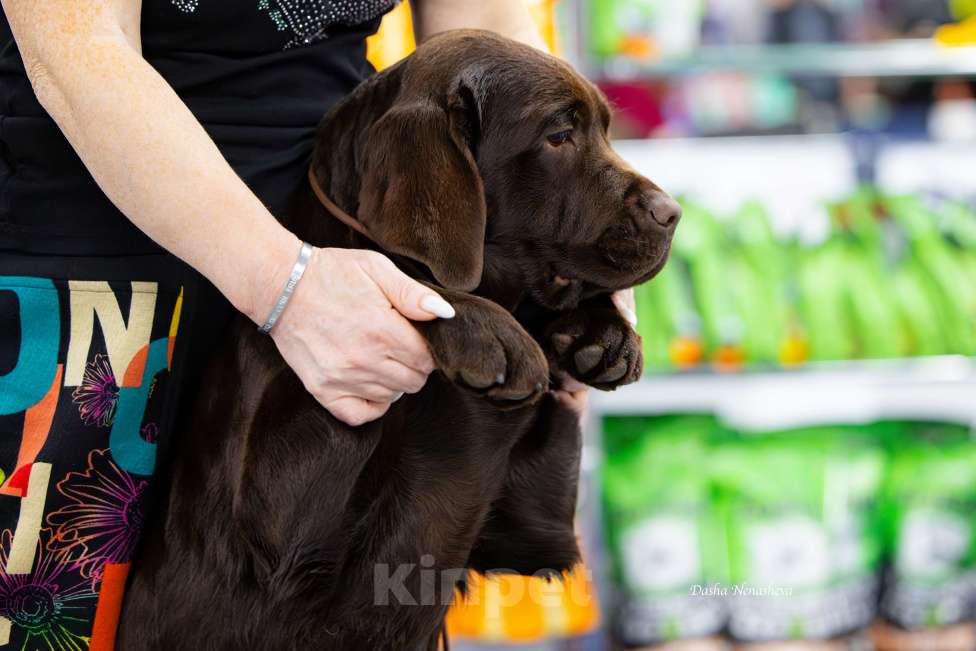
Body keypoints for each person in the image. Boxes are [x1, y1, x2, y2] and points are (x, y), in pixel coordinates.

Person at [0, 1, 630, 647]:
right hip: (96, 277)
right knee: (51, 627)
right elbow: (81, 54)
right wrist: (283, 284)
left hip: (346, 249)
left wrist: (575, 234)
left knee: (357, 614)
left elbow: (494, 39)